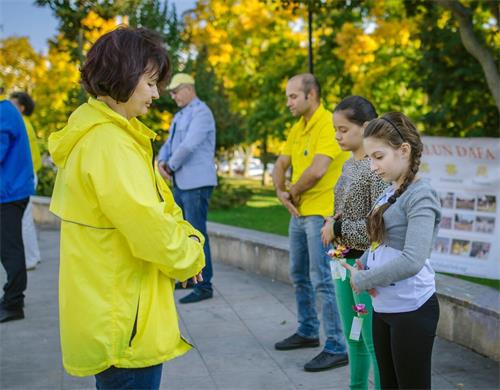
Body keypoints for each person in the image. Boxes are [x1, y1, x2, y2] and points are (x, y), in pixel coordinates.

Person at [48, 27, 205, 389]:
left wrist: (186, 238)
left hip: (116, 314)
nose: (156, 93)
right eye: (149, 82)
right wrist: (191, 255)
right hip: (124, 322)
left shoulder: (110, 135)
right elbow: (148, 226)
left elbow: (157, 209)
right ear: (122, 75)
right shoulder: (110, 143)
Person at [341, 112, 441, 389]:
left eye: (378, 156)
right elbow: (380, 241)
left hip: (412, 308)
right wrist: (363, 262)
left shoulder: (421, 195)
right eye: (370, 157)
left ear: (404, 150)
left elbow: (413, 260)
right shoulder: (391, 189)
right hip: (385, 305)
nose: (372, 166)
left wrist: (364, 279)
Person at [272, 73, 350, 372]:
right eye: (288, 96)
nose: (288, 102)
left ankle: (336, 345)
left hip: (323, 214)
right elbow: (281, 163)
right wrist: (281, 192)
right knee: (299, 273)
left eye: (293, 96)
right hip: (300, 211)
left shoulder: (328, 124)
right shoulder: (298, 127)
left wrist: (291, 191)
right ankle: (307, 330)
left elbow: (318, 171)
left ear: (311, 95)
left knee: (323, 279)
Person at [321, 96, 387, 389]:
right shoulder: (348, 165)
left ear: (367, 127)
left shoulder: (377, 168)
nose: (337, 135)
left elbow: (379, 227)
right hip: (343, 261)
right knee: (354, 336)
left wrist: (337, 225)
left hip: (367, 264)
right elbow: (347, 209)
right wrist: (332, 221)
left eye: (344, 129)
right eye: (336, 129)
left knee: (373, 342)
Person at [157, 73, 217, 304]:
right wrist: (161, 162)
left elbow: (189, 144)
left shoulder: (202, 112)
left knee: (197, 234)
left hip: (196, 183)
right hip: (181, 181)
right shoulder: (180, 115)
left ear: (189, 88)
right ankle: (191, 278)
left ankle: (204, 286)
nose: (172, 96)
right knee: (183, 232)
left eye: (175, 91)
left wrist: (170, 166)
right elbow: (169, 143)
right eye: (170, 92)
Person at [0, 89, 35, 323]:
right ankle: (12, 299)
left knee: (10, 248)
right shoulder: (7, 110)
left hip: (9, 193)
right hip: (12, 190)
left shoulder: (3, 112)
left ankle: (13, 302)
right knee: (9, 247)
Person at [11, 91, 42, 270]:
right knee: (25, 218)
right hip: (29, 175)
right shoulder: (26, 123)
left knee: (24, 220)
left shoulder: (21, 123)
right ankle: (33, 256)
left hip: (26, 176)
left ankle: (30, 258)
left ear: (22, 108)